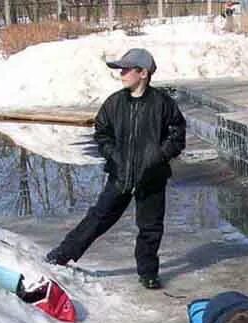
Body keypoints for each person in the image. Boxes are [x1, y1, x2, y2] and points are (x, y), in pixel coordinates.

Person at [45, 48, 186, 290]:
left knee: (150, 228)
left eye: (126, 69)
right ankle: (62, 255)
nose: (121, 74)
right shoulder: (114, 103)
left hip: (151, 177)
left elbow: (177, 135)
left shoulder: (162, 104)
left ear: (142, 73)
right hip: (120, 176)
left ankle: (148, 273)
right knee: (97, 218)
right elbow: (101, 132)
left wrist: (158, 156)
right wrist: (113, 155)